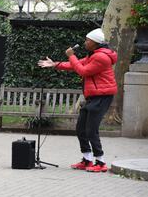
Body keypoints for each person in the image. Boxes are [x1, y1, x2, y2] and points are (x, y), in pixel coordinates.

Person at [38, 28, 118, 173]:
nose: (85, 43)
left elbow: (83, 71)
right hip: (93, 96)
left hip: (102, 96)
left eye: (87, 40)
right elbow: (75, 65)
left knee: (91, 129)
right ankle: (87, 159)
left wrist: (71, 55)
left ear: (94, 43)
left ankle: (100, 162)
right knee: (81, 128)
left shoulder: (101, 57)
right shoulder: (93, 55)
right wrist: (55, 64)